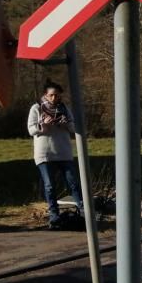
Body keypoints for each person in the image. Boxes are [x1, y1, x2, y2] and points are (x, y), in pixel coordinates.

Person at [28, 82, 84, 227]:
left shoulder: (64, 108)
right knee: (50, 185)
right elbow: (31, 129)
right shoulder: (37, 108)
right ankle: (54, 215)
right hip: (44, 153)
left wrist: (65, 124)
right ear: (45, 95)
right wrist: (43, 125)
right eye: (51, 95)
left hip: (64, 152)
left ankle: (83, 211)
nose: (54, 98)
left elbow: (74, 127)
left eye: (57, 95)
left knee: (73, 183)